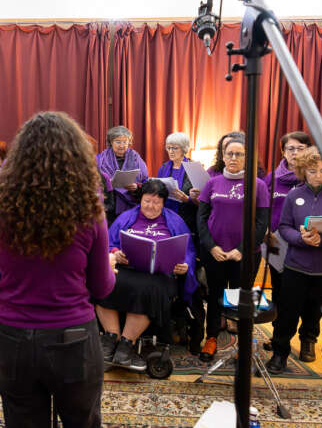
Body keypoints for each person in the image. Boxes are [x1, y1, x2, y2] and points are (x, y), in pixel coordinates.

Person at [0, 111, 115, 427]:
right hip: (73, 339)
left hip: (14, 339)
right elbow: (102, 287)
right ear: (75, 156)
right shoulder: (88, 208)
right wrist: (105, 268)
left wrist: (17, 280)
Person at [266, 147, 322, 391]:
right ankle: (279, 354)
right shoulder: (294, 195)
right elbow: (284, 227)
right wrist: (301, 239)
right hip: (296, 266)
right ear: (303, 171)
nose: (318, 176)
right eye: (312, 171)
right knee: (286, 315)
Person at [97, 179, 198, 371]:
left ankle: (127, 343)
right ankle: (111, 338)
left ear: (163, 203)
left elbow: (188, 252)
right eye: (147, 201)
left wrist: (185, 266)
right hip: (128, 269)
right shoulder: (127, 217)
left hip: (159, 275)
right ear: (140, 200)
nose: (151, 206)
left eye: (156, 202)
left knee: (148, 289)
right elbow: (108, 243)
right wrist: (115, 253)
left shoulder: (175, 221)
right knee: (105, 282)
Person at [196, 136, 269, 361]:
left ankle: (243, 344)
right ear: (223, 156)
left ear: (247, 158)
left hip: (244, 255)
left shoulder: (258, 185)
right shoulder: (212, 183)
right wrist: (211, 247)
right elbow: (201, 218)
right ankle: (211, 338)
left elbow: (261, 223)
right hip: (215, 253)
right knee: (216, 296)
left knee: (239, 297)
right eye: (229, 154)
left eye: (239, 154)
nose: (234, 158)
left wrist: (242, 250)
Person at [262, 130, 320, 362]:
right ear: (283, 152)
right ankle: (279, 337)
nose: (295, 153)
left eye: (300, 148)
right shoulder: (272, 177)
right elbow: (262, 206)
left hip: (309, 243)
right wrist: (265, 230)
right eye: (290, 149)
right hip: (277, 241)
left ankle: (308, 339)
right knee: (280, 292)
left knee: (311, 295)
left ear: (309, 150)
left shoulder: (315, 176)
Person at [96, 126, 149, 222]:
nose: (122, 145)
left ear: (129, 142)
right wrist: (107, 183)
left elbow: (146, 181)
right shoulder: (100, 159)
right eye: (118, 142)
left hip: (131, 205)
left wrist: (137, 187)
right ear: (111, 142)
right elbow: (93, 181)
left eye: (125, 142)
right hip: (108, 205)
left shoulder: (136, 157)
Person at [155, 132, 200, 229]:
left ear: (184, 149)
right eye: (168, 148)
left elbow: (203, 201)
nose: (171, 151)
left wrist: (187, 199)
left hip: (186, 219)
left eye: (175, 148)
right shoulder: (163, 167)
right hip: (164, 216)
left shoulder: (194, 168)